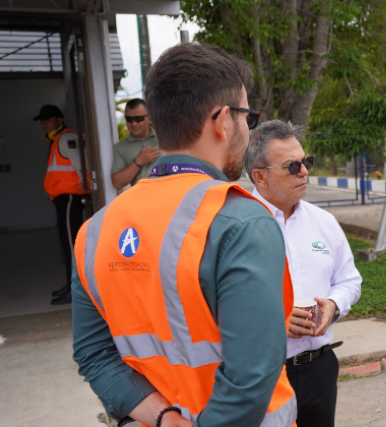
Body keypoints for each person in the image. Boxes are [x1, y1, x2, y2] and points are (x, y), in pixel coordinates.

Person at [71, 43, 297, 427]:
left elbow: (94, 354)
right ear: (223, 121)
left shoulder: (94, 231)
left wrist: (164, 418)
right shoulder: (239, 222)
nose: (247, 128)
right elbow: (250, 379)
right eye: (248, 117)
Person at [245, 120, 362, 427]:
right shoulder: (235, 226)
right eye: (292, 166)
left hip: (319, 368)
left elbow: (350, 280)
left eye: (305, 162)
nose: (305, 172)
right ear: (260, 176)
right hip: (262, 373)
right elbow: (214, 302)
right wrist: (274, 321)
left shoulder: (324, 222)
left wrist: (334, 304)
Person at [34, 104, 88, 305]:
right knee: (67, 246)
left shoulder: (66, 138)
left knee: (71, 246)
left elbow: (81, 166)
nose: (44, 123)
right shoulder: (58, 139)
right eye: (42, 120)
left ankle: (76, 291)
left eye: (48, 119)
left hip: (70, 198)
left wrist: (86, 188)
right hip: (63, 199)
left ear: (59, 120)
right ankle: (70, 285)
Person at [111, 98, 160, 190]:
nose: (133, 123)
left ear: (149, 119)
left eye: (138, 119)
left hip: (168, 199)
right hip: (141, 201)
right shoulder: (119, 148)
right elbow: (117, 183)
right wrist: (138, 161)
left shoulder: (164, 140)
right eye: (129, 119)